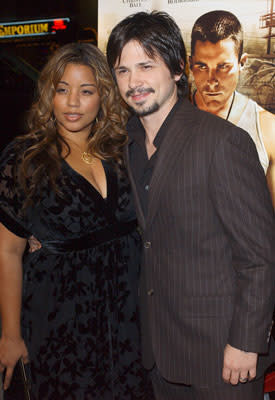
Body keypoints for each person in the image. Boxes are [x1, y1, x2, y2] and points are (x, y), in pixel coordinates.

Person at [106, 11, 275, 400]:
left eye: (146, 66)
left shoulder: (221, 142)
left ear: (177, 69)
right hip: (159, 351)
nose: (134, 82)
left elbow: (259, 256)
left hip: (223, 355)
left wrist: (246, 342)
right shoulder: (127, 144)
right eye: (122, 70)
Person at [0, 42, 153, 400]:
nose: (72, 103)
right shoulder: (24, 159)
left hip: (128, 322)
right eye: (62, 90)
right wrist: (10, 334)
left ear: (103, 96)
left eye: (86, 91)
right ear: (48, 94)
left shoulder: (124, 150)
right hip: (59, 325)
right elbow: (7, 252)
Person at [189, 10, 275, 206]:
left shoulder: (267, 129)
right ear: (190, 64)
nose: (212, 81)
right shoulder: (168, 120)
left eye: (223, 67)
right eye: (202, 67)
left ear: (242, 63)